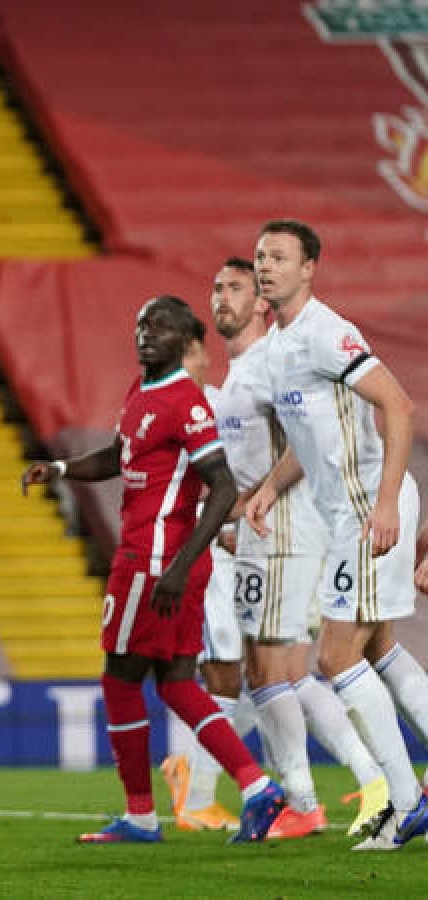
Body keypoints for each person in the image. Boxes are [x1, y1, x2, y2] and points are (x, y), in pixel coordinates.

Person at [21, 295, 284, 844]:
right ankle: (257, 788)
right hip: (159, 560)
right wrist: (61, 467)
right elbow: (118, 457)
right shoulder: (141, 392)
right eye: (143, 323)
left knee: (119, 681)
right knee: (175, 683)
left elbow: (224, 486)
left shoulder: (185, 401)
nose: (147, 333)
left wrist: (178, 566)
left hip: (155, 561)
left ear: (187, 343)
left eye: (162, 327)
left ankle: (141, 816)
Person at [179, 257, 390, 839]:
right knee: (285, 672)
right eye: (217, 286)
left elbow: (311, 438)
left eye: (237, 287)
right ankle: (367, 785)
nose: (222, 296)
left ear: (263, 304)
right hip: (262, 534)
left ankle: (308, 799)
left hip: (287, 532)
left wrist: (266, 496)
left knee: (272, 671)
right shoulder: (241, 376)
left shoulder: (273, 364)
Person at [243, 219, 428, 849]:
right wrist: (270, 487)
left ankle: (408, 801)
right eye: (260, 256)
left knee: (334, 657)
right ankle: (410, 802)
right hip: (351, 513)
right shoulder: (280, 347)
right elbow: (309, 440)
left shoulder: (327, 333)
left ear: (309, 269)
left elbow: (398, 405)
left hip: (369, 510)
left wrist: (385, 505)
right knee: (376, 650)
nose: (265, 266)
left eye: (279, 258)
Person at [160, 332, 257, 833]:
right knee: (223, 676)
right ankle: (197, 794)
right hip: (202, 555)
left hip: (228, 550)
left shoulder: (219, 404)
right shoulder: (151, 408)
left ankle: (190, 769)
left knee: (257, 680)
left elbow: (232, 477)